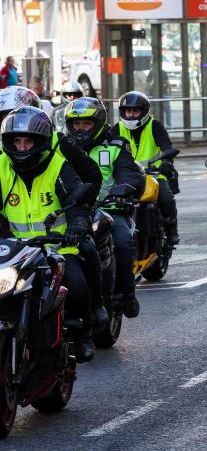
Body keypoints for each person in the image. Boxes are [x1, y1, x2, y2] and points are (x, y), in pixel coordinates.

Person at [0, 107, 96, 361]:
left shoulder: (58, 166)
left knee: (76, 284)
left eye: (28, 141)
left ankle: (83, 335)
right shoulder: (0, 165)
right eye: (16, 141)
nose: (21, 148)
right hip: (12, 251)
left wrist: (77, 227)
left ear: (40, 142)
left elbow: (77, 202)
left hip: (56, 249)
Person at [64, 97, 145, 319]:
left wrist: (123, 189)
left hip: (108, 209)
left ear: (98, 123)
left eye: (86, 124)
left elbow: (129, 172)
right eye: (75, 124)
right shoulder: (62, 149)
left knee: (121, 240)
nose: (80, 129)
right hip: (69, 212)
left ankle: (126, 295)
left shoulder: (115, 146)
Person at [110, 91, 180, 246]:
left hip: (153, 175)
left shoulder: (154, 126)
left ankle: (171, 228)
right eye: (128, 111)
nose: (131, 114)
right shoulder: (116, 129)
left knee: (166, 197)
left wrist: (167, 162)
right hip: (126, 176)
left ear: (144, 112)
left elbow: (167, 146)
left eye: (135, 111)